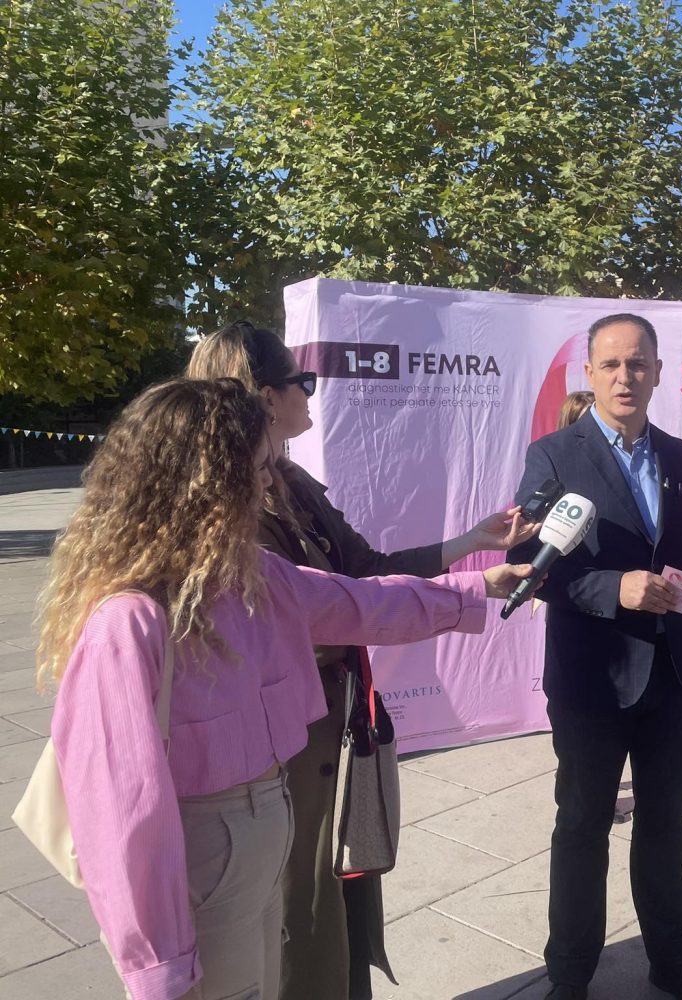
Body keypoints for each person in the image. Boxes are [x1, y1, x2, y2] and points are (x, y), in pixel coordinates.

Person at [35, 378, 531, 1000]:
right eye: (257, 468)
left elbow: (359, 603)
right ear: (205, 484)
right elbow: (122, 819)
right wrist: (159, 972)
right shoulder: (129, 620)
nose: (268, 484)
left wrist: (477, 588)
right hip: (205, 854)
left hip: (270, 828)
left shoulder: (250, 573)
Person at [187, 321, 538, 1000]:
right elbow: (327, 609)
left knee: (341, 892)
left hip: (334, 724)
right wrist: (468, 592)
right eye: (302, 382)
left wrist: (470, 544)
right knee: (297, 910)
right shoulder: (226, 506)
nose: (309, 394)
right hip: (284, 743)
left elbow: (362, 573)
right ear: (266, 398)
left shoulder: (291, 482)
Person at [512, 313, 682, 1000]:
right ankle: (569, 974)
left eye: (637, 363)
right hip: (592, 679)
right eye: (610, 364)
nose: (624, 376)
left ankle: (672, 961)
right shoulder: (554, 455)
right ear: (589, 373)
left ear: (657, 372)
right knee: (582, 827)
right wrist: (614, 587)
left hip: (673, 674)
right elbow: (530, 566)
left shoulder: (676, 455)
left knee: (666, 826)